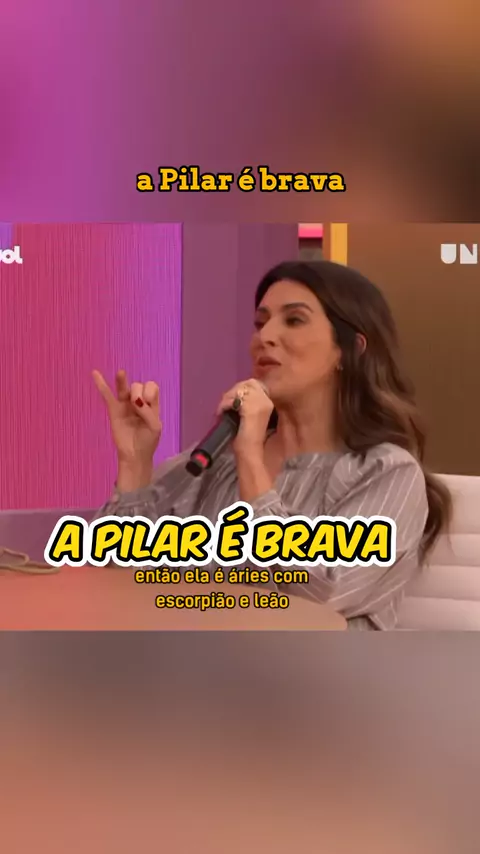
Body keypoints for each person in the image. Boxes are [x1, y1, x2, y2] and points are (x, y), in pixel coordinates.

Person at [92, 260, 451, 630]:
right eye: (260, 323)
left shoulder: (385, 472)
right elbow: (119, 582)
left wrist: (251, 461)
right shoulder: (214, 460)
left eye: (293, 320)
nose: (265, 336)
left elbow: (319, 594)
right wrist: (135, 463)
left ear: (351, 349)